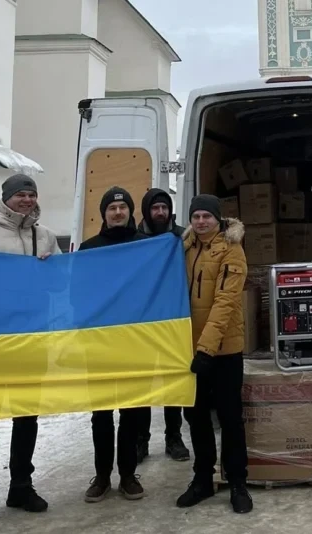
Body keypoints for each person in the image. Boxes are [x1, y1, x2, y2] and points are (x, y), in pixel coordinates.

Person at [0, 174, 60, 521]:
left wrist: (52, 271)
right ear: (6, 198)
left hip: (31, 340)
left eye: (31, 194)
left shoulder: (46, 236)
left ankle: (21, 485)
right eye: (20, 194)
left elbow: (61, 283)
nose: (27, 200)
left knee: (26, 415)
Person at [175, 194, 253, 514]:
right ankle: (203, 479)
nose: (202, 221)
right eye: (196, 217)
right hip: (189, 349)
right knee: (196, 418)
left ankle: (237, 482)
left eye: (207, 216)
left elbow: (225, 303)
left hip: (224, 350)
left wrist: (207, 348)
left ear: (218, 219)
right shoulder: (183, 248)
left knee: (230, 417)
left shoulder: (232, 249)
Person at [79, 187, 149, 503]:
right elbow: (75, 293)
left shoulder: (147, 247)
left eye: (123, 207)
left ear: (130, 211)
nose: (118, 212)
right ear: (103, 214)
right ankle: (103, 476)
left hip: (135, 344)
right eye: (112, 208)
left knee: (132, 412)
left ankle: (129, 475)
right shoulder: (88, 248)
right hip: (99, 344)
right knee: (101, 415)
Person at [135, 188, 190, 464]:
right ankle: (140, 440)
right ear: (147, 211)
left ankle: (174, 438)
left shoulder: (181, 237)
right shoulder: (132, 241)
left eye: (164, 208)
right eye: (155, 208)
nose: (160, 213)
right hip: (140, 324)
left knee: (172, 380)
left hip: (172, 319)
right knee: (144, 383)